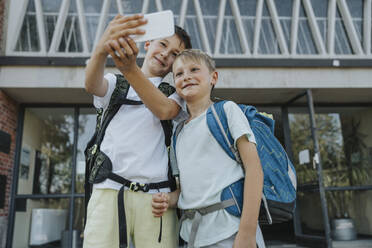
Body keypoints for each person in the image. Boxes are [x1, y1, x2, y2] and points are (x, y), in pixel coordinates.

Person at [83, 13, 192, 248]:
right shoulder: (116, 83)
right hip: (109, 189)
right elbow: (92, 84)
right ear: (148, 43)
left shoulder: (175, 94)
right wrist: (103, 48)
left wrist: (130, 68)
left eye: (175, 54)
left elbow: (164, 110)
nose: (166, 54)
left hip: (156, 197)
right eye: (163, 44)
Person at [152, 49, 266, 248]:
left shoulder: (227, 111)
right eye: (179, 74)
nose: (186, 76)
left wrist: (247, 232)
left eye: (194, 69)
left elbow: (254, 170)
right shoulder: (178, 132)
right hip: (192, 236)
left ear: (213, 77)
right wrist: (168, 199)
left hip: (231, 231)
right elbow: (185, 190)